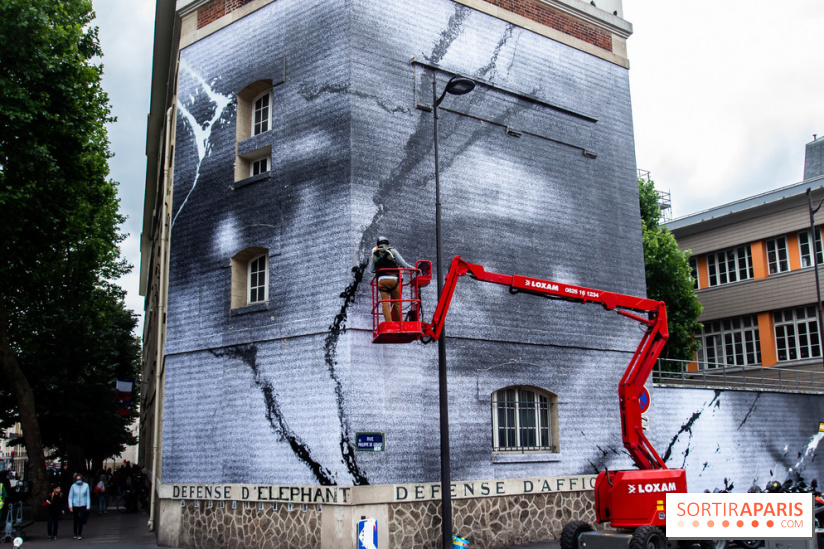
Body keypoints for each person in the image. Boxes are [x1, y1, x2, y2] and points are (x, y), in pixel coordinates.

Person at [370, 236, 412, 322]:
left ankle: (388, 323)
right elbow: (404, 264)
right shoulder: (392, 251)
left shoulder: (375, 254)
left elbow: (371, 270)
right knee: (396, 302)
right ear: (387, 242)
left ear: (378, 244)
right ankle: (399, 324)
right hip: (394, 280)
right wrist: (414, 268)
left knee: (385, 302)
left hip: (381, 281)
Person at [68, 474, 90, 540]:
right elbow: (70, 497)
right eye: (77, 479)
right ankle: (75, 533)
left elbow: (88, 496)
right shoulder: (73, 486)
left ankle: (79, 534)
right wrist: (70, 506)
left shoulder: (86, 485)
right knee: (75, 519)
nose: (78, 480)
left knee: (81, 519)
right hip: (75, 505)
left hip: (83, 504)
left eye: (79, 479)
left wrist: (88, 505)